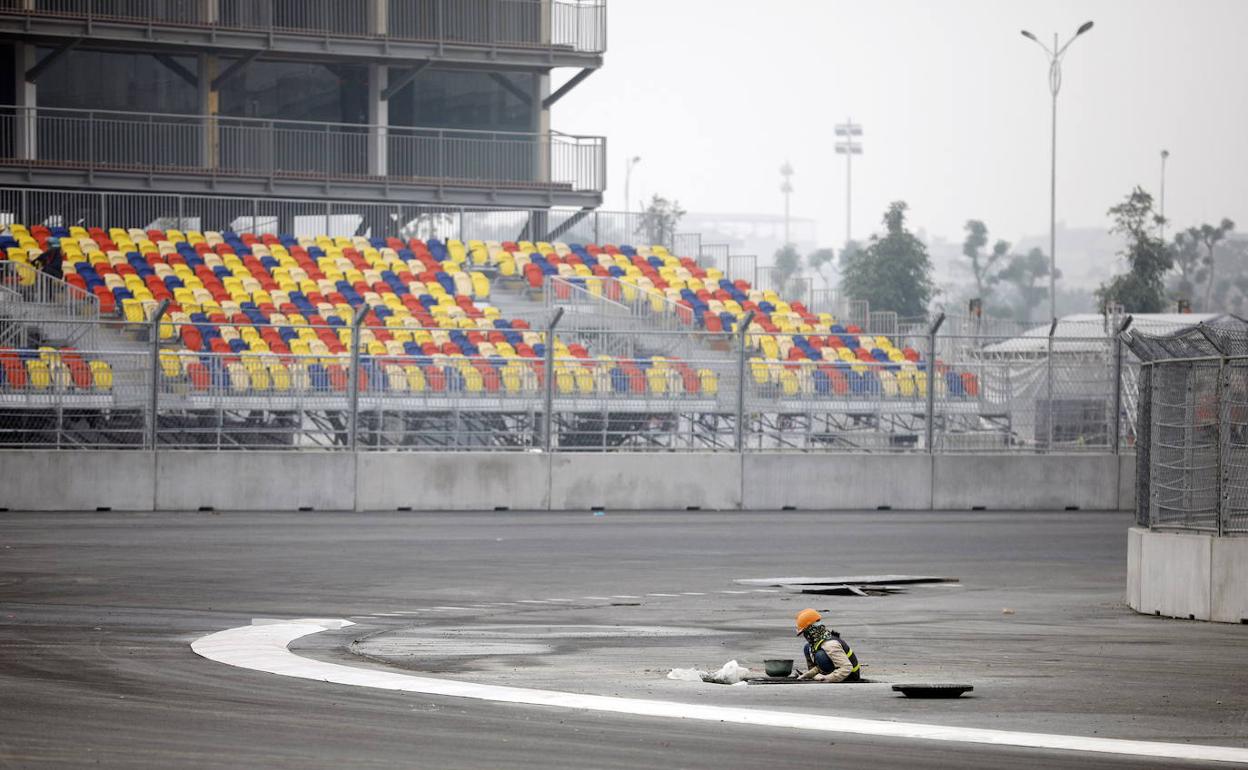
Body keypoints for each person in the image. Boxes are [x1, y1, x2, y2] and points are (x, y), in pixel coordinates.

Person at [794, 608, 861, 682]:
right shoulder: (821, 640)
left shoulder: (830, 645)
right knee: (808, 647)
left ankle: (826, 676)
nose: (805, 635)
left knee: (820, 655)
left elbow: (846, 668)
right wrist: (809, 674)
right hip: (838, 671)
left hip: (850, 676)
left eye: (804, 632)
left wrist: (826, 679)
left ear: (811, 630)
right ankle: (820, 675)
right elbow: (821, 665)